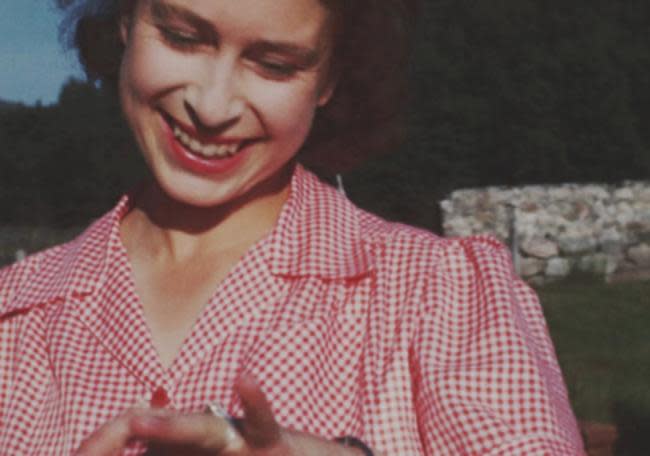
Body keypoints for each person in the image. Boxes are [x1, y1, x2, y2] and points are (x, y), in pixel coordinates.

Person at [0, 0, 585, 454]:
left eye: (275, 65)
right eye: (182, 37)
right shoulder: (14, 317)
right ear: (125, 20)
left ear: (330, 80)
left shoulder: (442, 297)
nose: (213, 105)